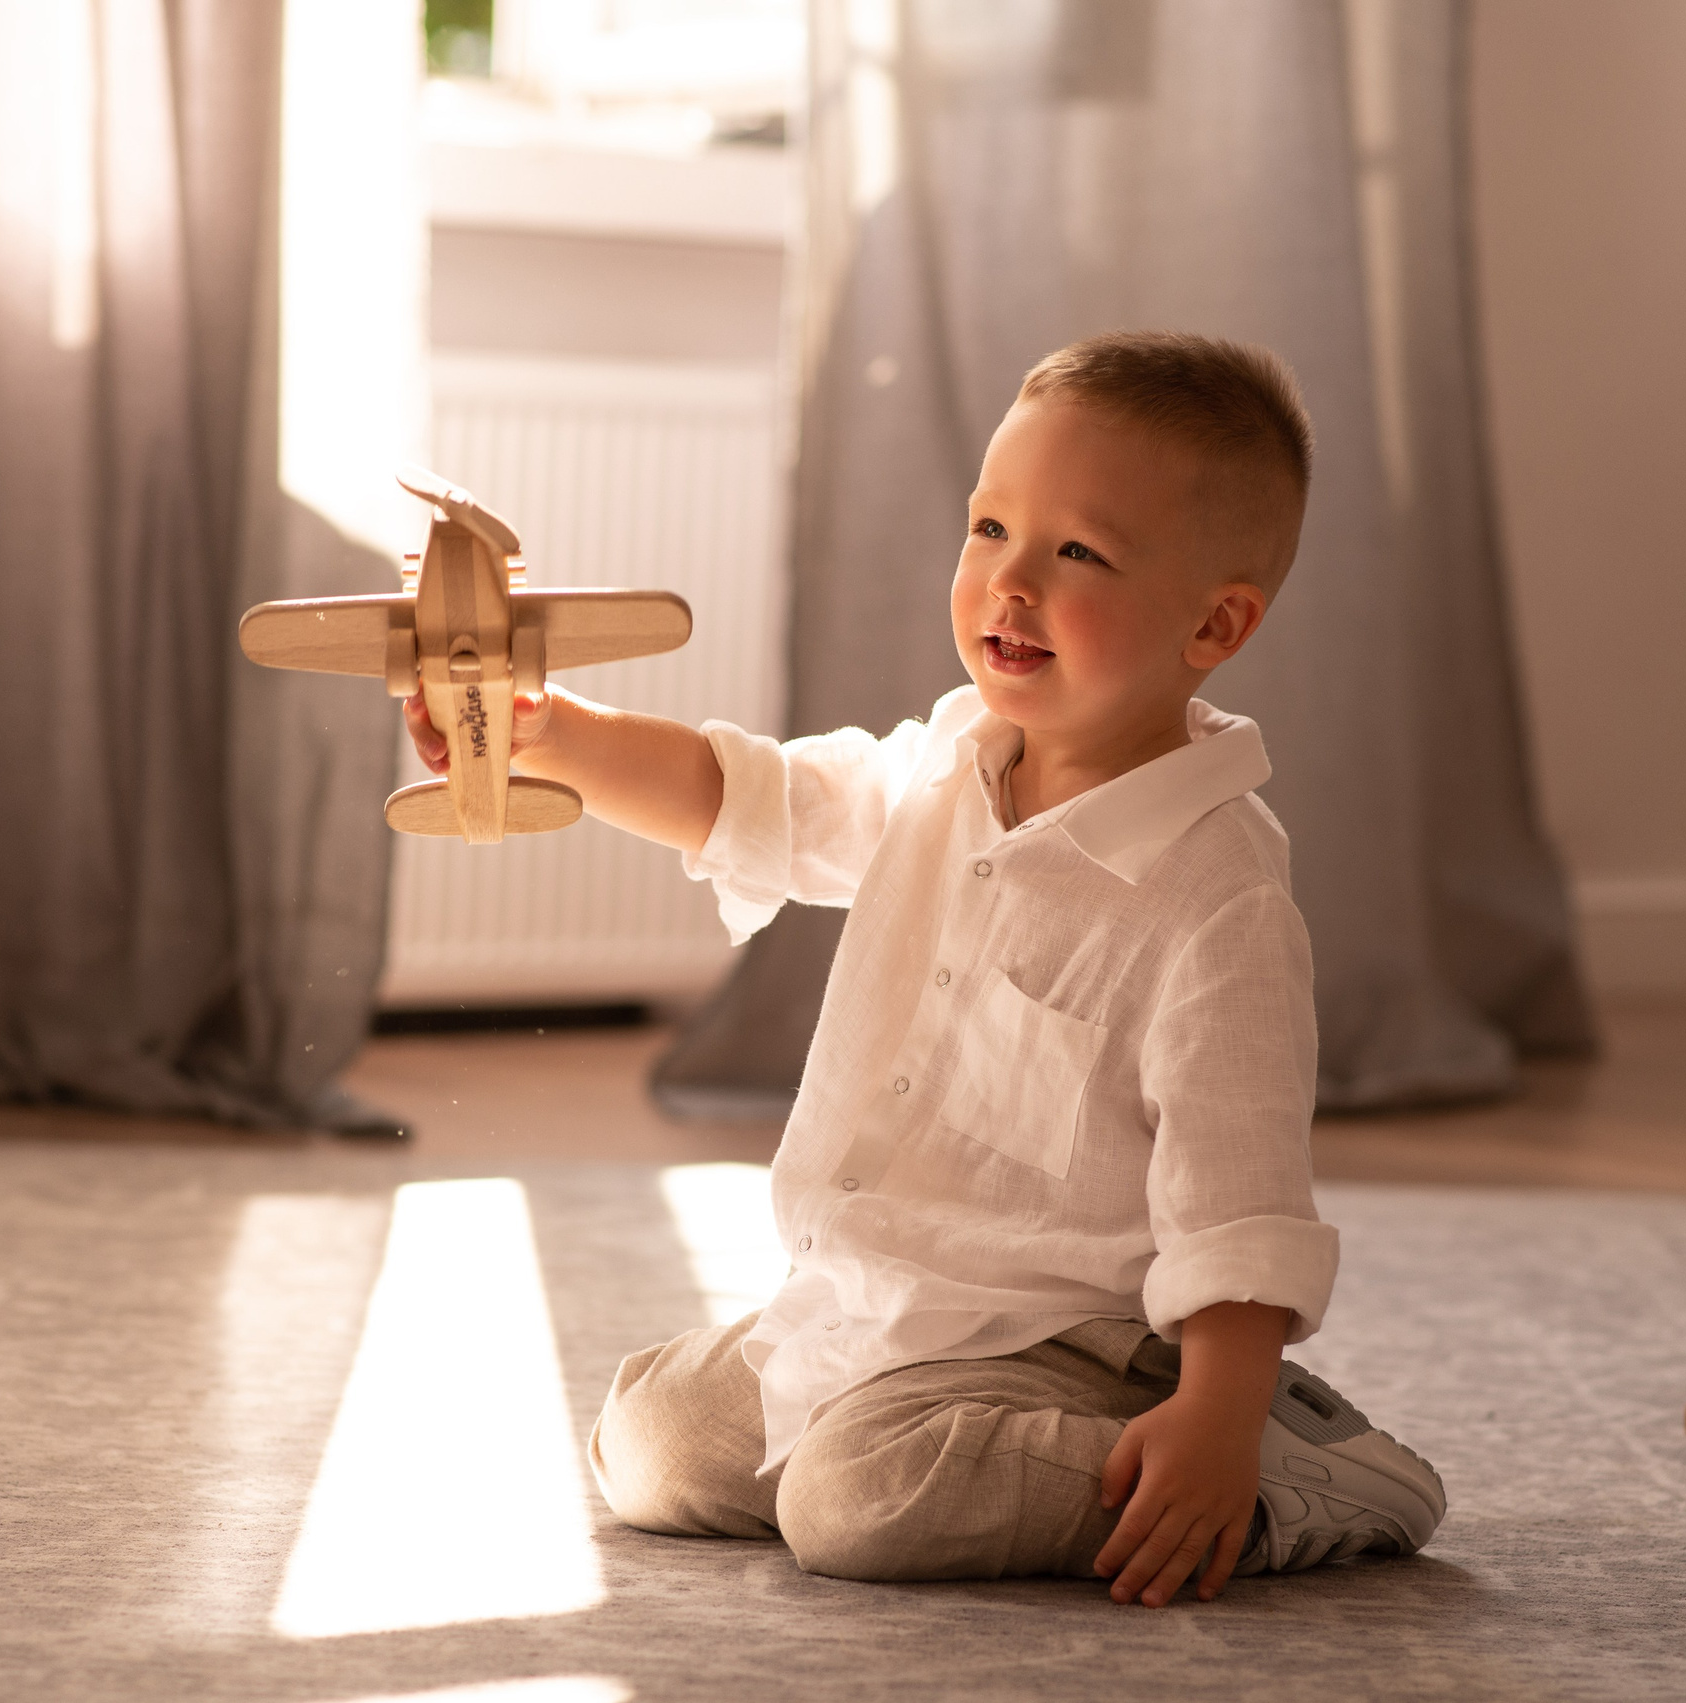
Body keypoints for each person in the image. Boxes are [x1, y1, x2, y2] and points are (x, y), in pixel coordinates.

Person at [405, 330, 1446, 1606]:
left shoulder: (1211, 890)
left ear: (1214, 621)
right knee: (650, 1442)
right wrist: (545, 732)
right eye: (989, 527)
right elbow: (750, 800)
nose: (1007, 582)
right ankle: (864, 1427)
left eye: (1076, 553)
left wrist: (1219, 1411)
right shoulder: (943, 767)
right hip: (877, 1300)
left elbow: (1240, 1195)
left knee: (859, 1503)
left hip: (1070, 1342)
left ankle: (1281, 1472)